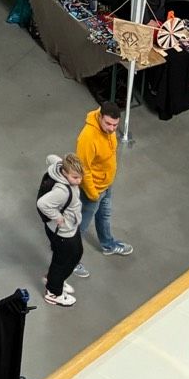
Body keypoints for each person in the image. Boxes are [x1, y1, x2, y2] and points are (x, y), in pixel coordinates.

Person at [74, 101, 133, 263]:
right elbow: (83, 169)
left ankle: (107, 245)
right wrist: (93, 193)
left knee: (104, 215)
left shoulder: (109, 129)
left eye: (115, 125)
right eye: (108, 124)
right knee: (80, 226)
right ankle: (71, 260)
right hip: (92, 190)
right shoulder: (87, 138)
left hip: (106, 185)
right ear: (100, 117)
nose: (112, 129)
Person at [37, 153, 85, 306]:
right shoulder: (62, 191)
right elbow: (42, 204)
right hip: (62, 231)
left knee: (76, 253)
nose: (79, 181)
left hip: (68, 227)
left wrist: (49, 158)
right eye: (75, 177)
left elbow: (51, 158)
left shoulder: (60, 166)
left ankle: (54, 279)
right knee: (62, 260)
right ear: (64, 173)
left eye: (80, 177)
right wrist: (57, 217)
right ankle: (53, 292)